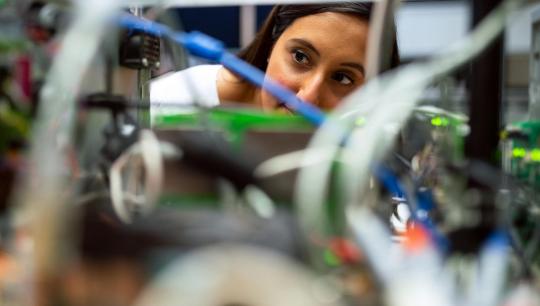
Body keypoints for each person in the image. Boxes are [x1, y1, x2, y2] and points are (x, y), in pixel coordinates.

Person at [150, 3, 399, 116]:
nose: (308, 98)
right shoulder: (165, 107)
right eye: (300, 57)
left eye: (342, 78)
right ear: (271, 44)